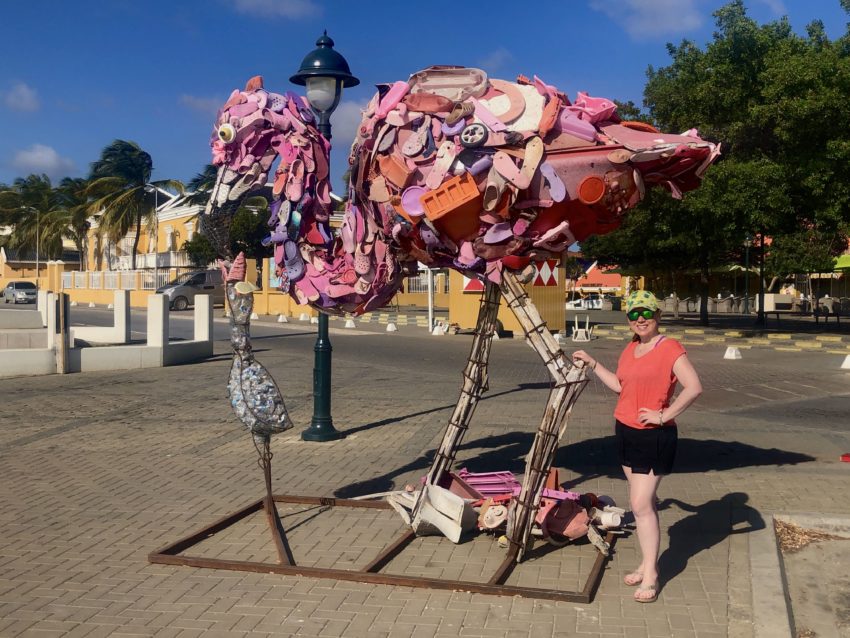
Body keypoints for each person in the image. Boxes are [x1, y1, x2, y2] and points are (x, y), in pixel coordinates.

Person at [572, 290, 702, 603]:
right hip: (626, 431)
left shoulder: (669, 347)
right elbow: (620, 386)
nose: (640, 319)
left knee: (641, 505)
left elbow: (694, 387)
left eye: (645, 313)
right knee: (645, 504)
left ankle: (653, 574)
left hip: (653, 437)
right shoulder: (631, 348)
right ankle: (645, 563)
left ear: (657, 315)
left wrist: (664, 415)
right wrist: (593, 364)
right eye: (633, 314)